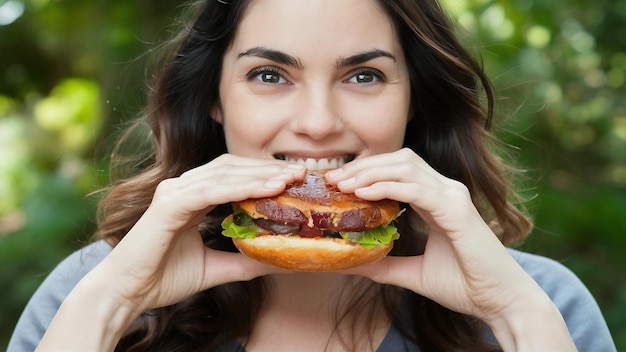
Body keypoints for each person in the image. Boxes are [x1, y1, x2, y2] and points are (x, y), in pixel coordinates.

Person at [8, 0, 616, 351]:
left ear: (415, 101)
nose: (319, 124)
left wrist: (513, 312)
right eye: (270, 75)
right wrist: (112, 302)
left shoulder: (542, 302)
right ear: (214, 98)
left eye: (364, 76)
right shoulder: (92, 290)